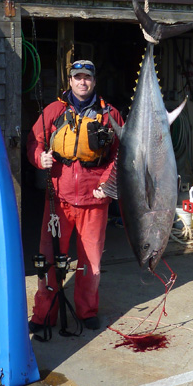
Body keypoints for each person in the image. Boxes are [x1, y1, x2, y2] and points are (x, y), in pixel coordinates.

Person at [26, 59, 123, 332]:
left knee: (90, 262)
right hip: (59, 200)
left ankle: (87, 311)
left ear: (94, 81)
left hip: (95, 202)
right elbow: (35, 141)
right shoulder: (54, 110)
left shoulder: (110, 115)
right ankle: (44, 314)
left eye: (87, 77)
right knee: (48, 260)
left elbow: (121, 154)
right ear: (70, 80)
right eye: (77, 77)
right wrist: (39, 158)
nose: (83, 82)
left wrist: (106, 183)